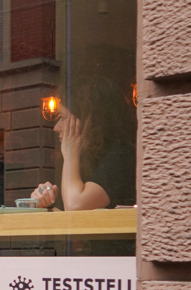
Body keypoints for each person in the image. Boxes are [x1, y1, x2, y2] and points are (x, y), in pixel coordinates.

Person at [31, 77, 137, 211]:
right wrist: (44, 203)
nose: (56, 127)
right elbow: (66, 214)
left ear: (89, 121)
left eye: (63, 118)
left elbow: (76, 206)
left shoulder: (123, 158)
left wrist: (70, 155)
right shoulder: (87, 161)